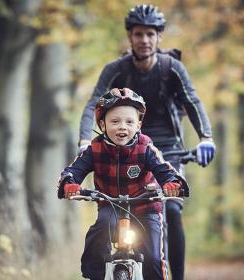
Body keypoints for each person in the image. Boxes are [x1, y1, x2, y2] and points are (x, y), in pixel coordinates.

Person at [78, 4, 216, 280]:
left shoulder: (171, 68)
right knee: (112, 208)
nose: (144, 40)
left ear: (159, 37)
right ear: (130, 36)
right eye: (139, 34)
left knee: (172, 209)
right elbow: (94, 101)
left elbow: (191, 100)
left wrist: (206, 137)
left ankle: (174, 275)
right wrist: (84, 139)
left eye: (150, 34)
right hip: (125, 145)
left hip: (168, 147)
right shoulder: (117, 69)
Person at [58, 88, 189, 280]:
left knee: (153, 258)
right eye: (115, 121)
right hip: (110, 205)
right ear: (102, 124)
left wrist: (172, 183)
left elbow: (164, 170)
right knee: (102, 226)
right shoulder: (94, 150)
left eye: (129, 122)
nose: (122, 127)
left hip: (146, 207)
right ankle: (95, 274)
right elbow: (73, 170)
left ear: (139, 124)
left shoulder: (145, 148)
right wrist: (69, 184)